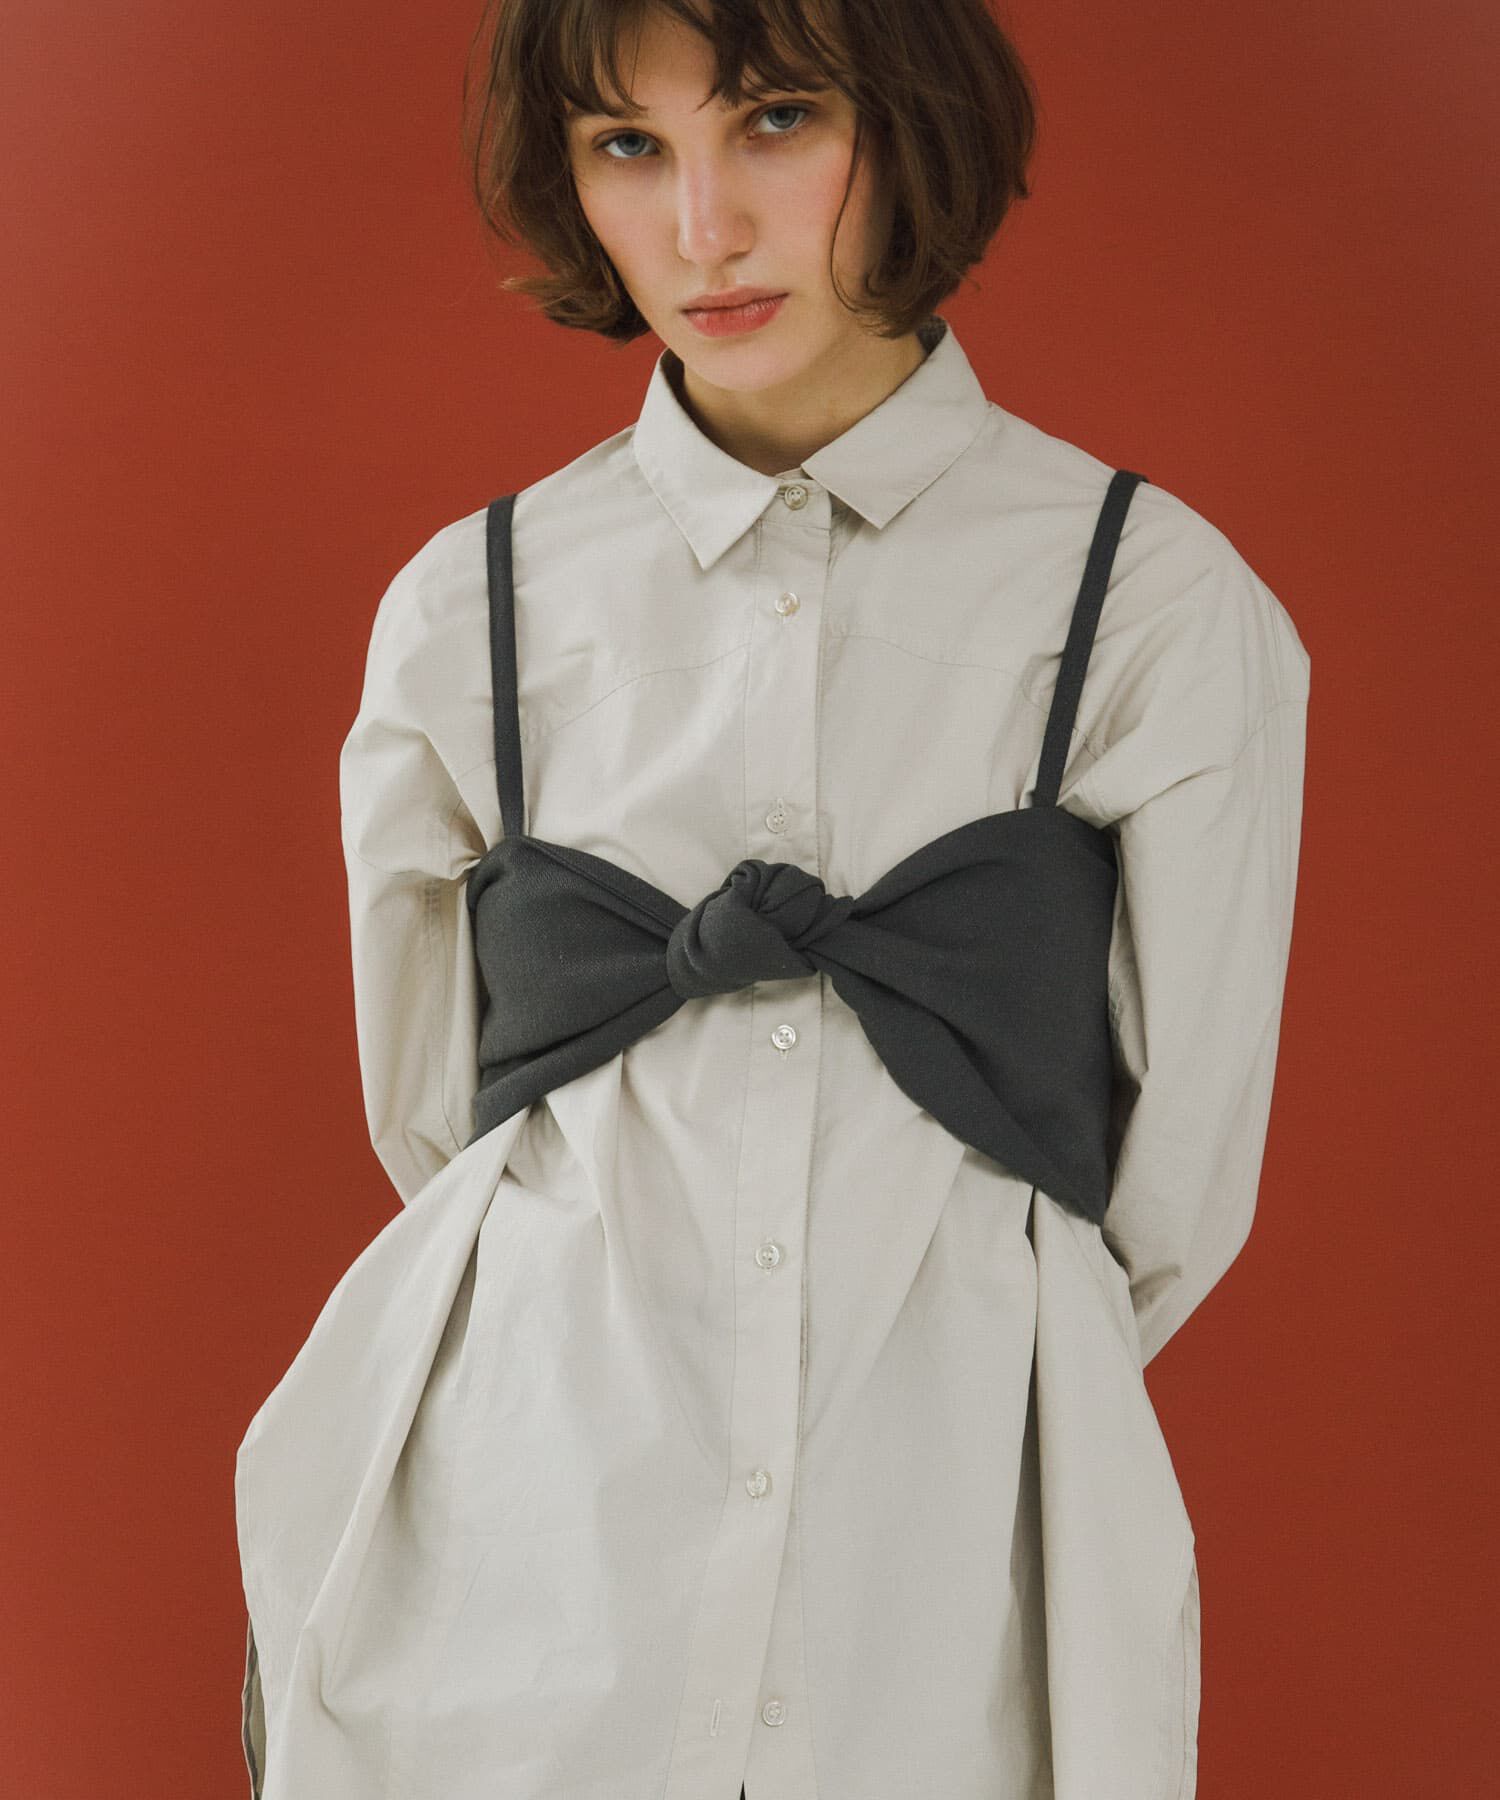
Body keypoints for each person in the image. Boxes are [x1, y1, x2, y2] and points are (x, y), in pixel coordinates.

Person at [234, 2, 1310, 1797]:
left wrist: (949, 1363)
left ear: (916, 122)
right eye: (628, 147)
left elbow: (1173, 1183)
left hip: (944, 1577)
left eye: (777, 121)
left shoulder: (1143, 599)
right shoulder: (472, 606)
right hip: (525, 1567)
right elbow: (438, 1131)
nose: (704, 227)